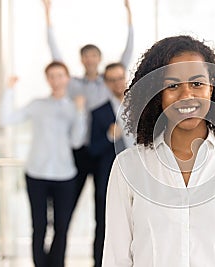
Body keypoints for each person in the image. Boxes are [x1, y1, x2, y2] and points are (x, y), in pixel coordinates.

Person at [102, 36, 215, 266]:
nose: (186, 95)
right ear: (157, 93)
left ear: (211, 88)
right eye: (172, 86)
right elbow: (116, 258)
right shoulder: (128, 166)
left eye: (197, 84)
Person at [42, 0, 134, 210]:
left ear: (99, 58)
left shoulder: (107, 82)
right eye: (86, 56)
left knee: (102, 202)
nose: (90, 59)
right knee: (68, 202)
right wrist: (47, 15)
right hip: (80, 148)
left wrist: (129, 13)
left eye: (93, 55)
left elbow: (127, 53)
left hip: (103, 147)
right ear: (81, 60)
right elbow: (56, 55)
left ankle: (100, 243)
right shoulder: (73, 84)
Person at [0, 62, 86, 267]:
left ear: (67, 78)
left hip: (65, 175)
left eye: (60, 76)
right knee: (38, 226)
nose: (56, 80)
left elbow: (77, 141)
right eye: (52, 76)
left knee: (62, 227)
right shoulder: (37, 104)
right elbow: (5, 119)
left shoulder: (74, 107)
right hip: (36, 173)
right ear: (47, 79)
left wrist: (80, 113)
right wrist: (9, 89)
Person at [89, 63, 134, 267]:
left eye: (120, 78)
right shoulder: (98, 113)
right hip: (108, 179)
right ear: (106, 83)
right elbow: (92, 149)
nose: (118, 83)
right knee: (104, 226)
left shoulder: (140, 108)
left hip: (138, 177)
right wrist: (109, 135)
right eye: (112, 79)